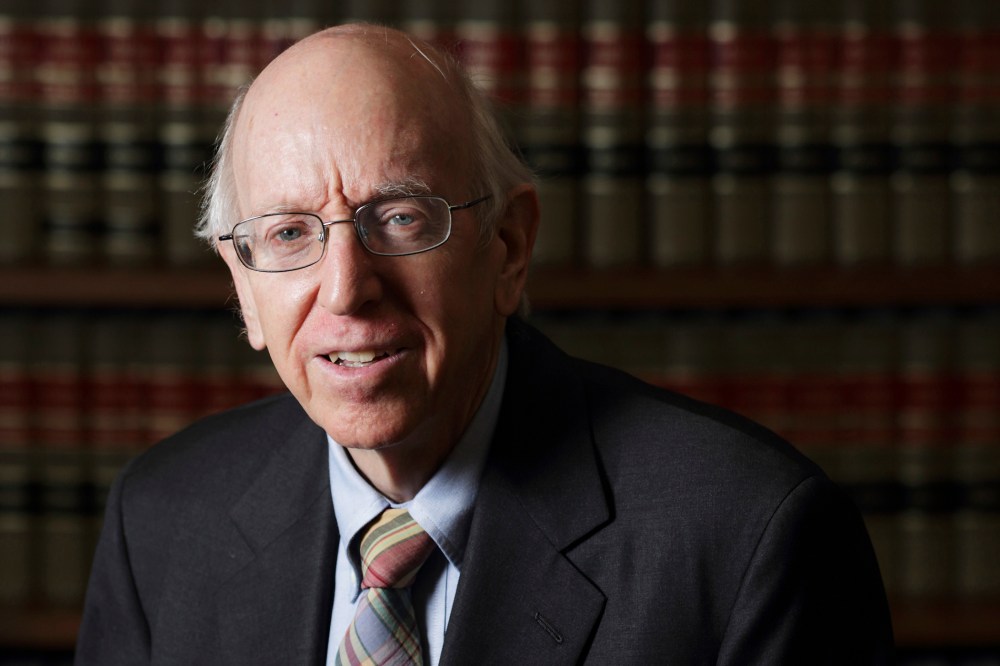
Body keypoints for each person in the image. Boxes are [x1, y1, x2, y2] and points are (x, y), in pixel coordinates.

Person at [76, 23, 893, 665]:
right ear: (243, 286)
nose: (346, 288)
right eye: (290, 234)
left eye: (399, 218)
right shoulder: (162, 522)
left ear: (508, 247)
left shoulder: (749, 534)